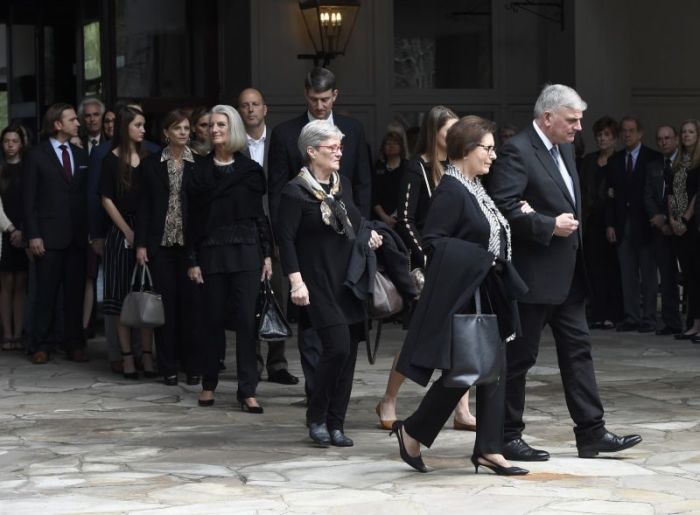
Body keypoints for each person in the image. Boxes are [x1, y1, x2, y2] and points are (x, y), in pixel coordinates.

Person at [488, 84, 642, 460]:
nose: (578, 127)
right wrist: (547, 225)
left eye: (579, 121)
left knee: (579, 352)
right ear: (548, 117)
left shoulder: (567, 148)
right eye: (572, 120)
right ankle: (506, 435)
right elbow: (503, 207)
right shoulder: (517, 151)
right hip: (532, 277)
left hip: (569, 275)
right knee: (519, 358)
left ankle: (592, 432)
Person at [392, 115, 528, 475]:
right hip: (466, 293)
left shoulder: (473, 186)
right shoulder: (451, 191)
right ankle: (414, 430)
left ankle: (487, 448)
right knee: (466, 371)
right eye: (488, 148)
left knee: (489, 368)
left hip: (485, 290)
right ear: (467, 150)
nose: (493, 156)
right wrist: (483, 260)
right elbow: (433, 243)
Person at [276, 119, 383, 447]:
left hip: (348, 282)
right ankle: (316, 416)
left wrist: (370, 236)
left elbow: (355, 222)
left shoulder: (344, 184)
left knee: (349, 354)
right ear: (311, 151)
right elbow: (286, 240)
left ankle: (336, 423)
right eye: (331, 147)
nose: (339, 152)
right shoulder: (294, 191)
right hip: (317, 282)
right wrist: (296, 282)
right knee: (336, 348)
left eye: (340, 146)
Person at [268, 67, 372, 398]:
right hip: (307, 241)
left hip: (346, 243)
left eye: (325, 99)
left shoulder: (353, 130)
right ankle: (317, 391)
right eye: (313, 99)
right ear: (305, 95)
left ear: (335, 96)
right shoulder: (286, 134)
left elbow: (363, 183)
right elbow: (276, 191)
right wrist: (283, 241)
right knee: (313, 322)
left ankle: (335, 392)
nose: (319, 105)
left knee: (346, 322)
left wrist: (363, 230)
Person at [377, 106, 476, 434]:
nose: (455, 137)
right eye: (449, 131)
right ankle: (389, 399)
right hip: (427, 265)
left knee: (461, 339)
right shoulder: (415, 168)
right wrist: (426, 257)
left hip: (457, 264)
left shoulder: (459, 168)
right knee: (419, 338)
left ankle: (462, 409)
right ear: (434, 133)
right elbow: (405, 219)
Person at [186, 104, 272, 411]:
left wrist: (267, 254)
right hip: (210, 253)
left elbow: (259, 216)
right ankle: (209, 384)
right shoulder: (197, 172)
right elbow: (191, 219)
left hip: (247, 250)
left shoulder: (250, 171)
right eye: (211, 125)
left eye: (221, 124)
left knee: (248, 322)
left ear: (232, 128)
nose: (215, 130)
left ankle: (247, 390)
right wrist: (192, 259)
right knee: (210, 321)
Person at [136, 109, 199, 386]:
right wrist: (140, 244)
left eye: (186, 128)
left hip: (190, 247)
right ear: (166, 133)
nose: (183, 133)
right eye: (177, 128)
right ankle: (168, 366)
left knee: (191, 308)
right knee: (166, 309)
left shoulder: (199, 163)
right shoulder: (150, 165)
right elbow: (143, 207)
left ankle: (193, 364)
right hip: (160, 244)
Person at [23, 103, 89, 364]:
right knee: (46, 294)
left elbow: (85, 196)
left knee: (74, 294)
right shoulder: (36, 155)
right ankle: (41, 344)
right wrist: (33, 235)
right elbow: (29, 200)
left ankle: (74, 343)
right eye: (73, 119)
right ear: (57, 124)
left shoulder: (80, 155)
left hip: (76, 235)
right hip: (48, 236)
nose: (78, 123)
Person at [99, 106, 156, 379]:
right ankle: (127, 357)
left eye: (144, 125)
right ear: (126, 127)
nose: (143, 129)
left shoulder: (149, 157)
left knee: (145, 294)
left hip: (147, 230)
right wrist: (127, 232)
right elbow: (106, 199)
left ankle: (147, 356)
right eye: (138, 124)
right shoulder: (109, 160)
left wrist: (143, 233)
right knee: (122, 299)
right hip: (119, 233)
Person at [606, 116, 661, 333]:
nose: (626, 135)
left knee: (648, 274)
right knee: (627, 274)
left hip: (645, 224)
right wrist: (609, 224)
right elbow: (610, 196)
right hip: (621, 224)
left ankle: (649, 317)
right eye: (624, 131)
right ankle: (632, 316)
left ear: (640, 133)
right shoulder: (615, 160)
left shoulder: (652, 158)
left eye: (631, 131)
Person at [579, 116, 623, 329]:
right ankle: (597, 312)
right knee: (594, 268)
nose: (602, 139)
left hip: (612, 220)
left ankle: (613, 313)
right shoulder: (589, 160)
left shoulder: (620, 159)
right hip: (591, 220)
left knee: (612, 268)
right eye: (599, 135)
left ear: (615, 138)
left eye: (607, 135)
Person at [644, 125, 682, 335]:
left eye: (668, 138)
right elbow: (647, 194)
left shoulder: (685, 163)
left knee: (690, 276)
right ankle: (671, 321)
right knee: (666, 276)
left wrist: (669, 219)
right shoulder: (652, 166)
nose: (663, 142)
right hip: (660, 229)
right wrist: (658, 219)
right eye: (660, 139)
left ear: (676, 139)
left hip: (682, 227)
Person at [668, 120, 700, 341]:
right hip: (679, 226)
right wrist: (672, 220)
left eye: (691, 132)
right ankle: (695, 323)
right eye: (684, 132)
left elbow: (697, 193)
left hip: (693, 224)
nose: (687, 135)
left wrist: (686, 218)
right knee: (689, 276)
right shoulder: (679, 163)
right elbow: (670, 193)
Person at [0, 125, 29, 351]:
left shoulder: (29, 168)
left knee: (21, 283)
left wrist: (23, 231)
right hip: (4, 235)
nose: (10, 145)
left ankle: (19, 334)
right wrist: (11, 230)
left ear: (21, 143)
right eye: (6, 141)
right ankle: (7, 334)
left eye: (14, 141)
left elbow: (32, 202)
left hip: (25, 232)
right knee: (6, 284)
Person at [372, 130, 406, 227]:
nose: (391, 146)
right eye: (388, 143)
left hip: (402, 218)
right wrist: (384, 216)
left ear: (401, 146)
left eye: (395, 143)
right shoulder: (378, 167)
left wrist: (395, 216)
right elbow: (373, 195)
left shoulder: (407, 167)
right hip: (380, 218)